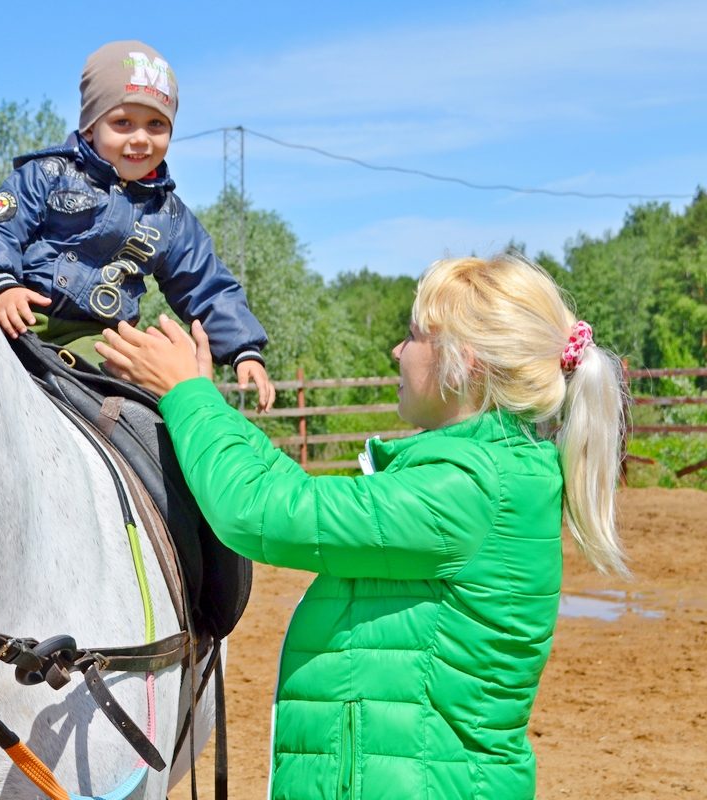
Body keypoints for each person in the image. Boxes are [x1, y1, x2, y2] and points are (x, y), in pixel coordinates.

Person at [95, 253, 628, 798]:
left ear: (462, 363)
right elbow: (293, 491)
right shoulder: (496, 474)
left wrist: (185, 394)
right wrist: (207, 407)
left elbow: (257, 510)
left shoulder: (467, 490)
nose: (398, 350)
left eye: (413, 336)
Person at [0, 39, 275, 411]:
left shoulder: (169, 216)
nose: (140, 138)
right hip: (26, 315)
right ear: (91, 127)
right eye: (123, 122)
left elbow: (206, 283)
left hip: (100, 340)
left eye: (156, 124)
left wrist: (243, 348)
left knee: (156, 409)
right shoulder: (48, 174)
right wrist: (1, 284)